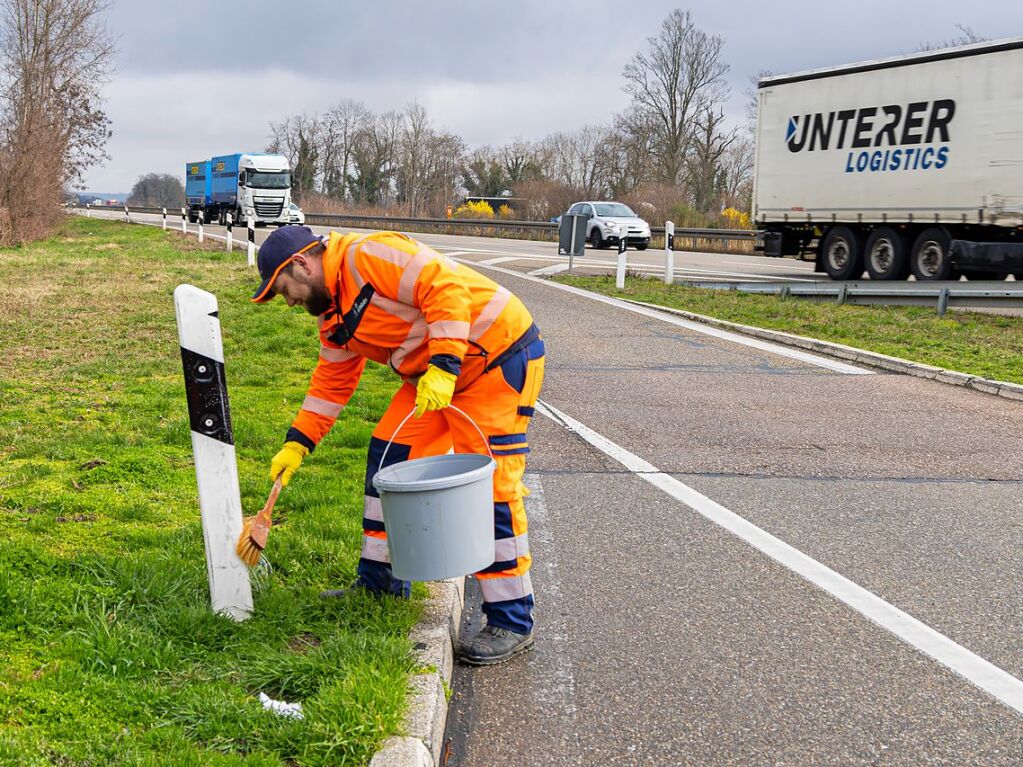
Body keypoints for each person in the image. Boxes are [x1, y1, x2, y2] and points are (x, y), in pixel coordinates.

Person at [251, 225, 545, 665]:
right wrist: (298, 444)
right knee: (388, 458)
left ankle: (512, 619)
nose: (287, 301)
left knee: (494, 490)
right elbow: (331, 384)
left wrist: (444, 366)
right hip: (433, 377)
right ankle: (380, 581)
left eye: (283, 289)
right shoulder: (331, 314)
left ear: (302, 264)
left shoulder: (369, 256)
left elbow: (444, 287)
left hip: (495, 359)